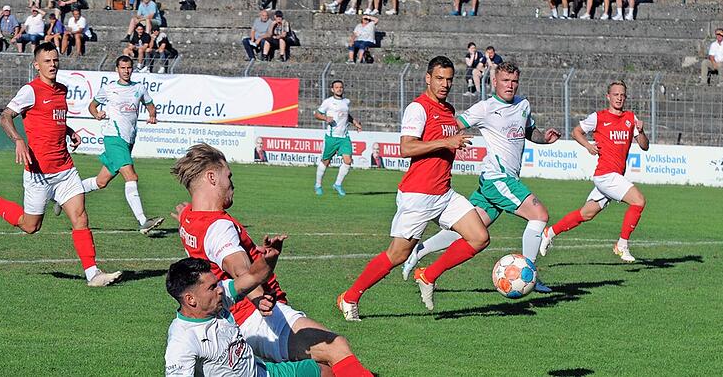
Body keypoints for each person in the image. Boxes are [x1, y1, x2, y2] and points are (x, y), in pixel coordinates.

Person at [170, 144, 374, 376]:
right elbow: (239, 269)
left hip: (229, 319)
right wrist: (258, 297)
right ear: (211, 177)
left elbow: (201, 234)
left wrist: (185, 215)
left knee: (323, 371)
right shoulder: (219, 227)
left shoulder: (190, 218)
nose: (232, 184)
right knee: (336, 347)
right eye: (228, 176)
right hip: (256, 316)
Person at [0, 42, 122, 287]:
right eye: (47, 61)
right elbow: (5, 117)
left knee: (80, 218)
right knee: (30, 226)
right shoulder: (30, 91)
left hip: (65, 169)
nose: (52, 65)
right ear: (37, 65)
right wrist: (18, 140)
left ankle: (93, 274)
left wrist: (69, 131)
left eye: (55, 60)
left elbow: (53, 120)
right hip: (39, 173)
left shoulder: (62, 90)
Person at [338, 56, 490, 318]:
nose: (444, 84)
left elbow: (443, 140)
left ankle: (427, 275)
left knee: (479, 237)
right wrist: (446, 143)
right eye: (439, 78)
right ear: (428, 78)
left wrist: (451, 143)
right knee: (397, 255)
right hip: (418, 195)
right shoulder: (418, 108)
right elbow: (406, 147)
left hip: (444, 193)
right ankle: (349, 298)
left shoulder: (448, 110)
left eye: (449, 79)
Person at [400, 62, 562, 294]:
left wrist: (544, 138)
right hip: (498, 178)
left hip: (501, 180)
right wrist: (443, 145)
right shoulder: (485, 108)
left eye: (514, 81)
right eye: (505, 81)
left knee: (467, 229)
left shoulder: (523, 104)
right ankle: (530, 274)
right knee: (539, 215)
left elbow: (529, 132)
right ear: (494, 82)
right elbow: (452, 125)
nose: (510, 85)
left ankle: (419, 251)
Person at [164, 247, 326, 376]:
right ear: (191, 299)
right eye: (212, 287)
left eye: (217, 284)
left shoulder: (220, 299)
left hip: (264, 372)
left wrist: (270, 257)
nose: (220, 290)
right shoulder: (182, 341)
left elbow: (253, 276)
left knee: (325, 370)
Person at [539, 81, 650, 262]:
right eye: (615, 94)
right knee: (639, 201)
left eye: (622, 95)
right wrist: (588, 146)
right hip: (606, 175)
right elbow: (576, 132)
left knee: (586, 213)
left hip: (615, 176)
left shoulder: (631, 118)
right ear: (608, 96)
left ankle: (549, 232)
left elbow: (644, 146)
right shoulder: (598, 117)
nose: (619, 98)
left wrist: (641, 131)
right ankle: (622, 245)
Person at [57, 55, 165, 235]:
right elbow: (92, 106)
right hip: (113, 137)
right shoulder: (108, 88)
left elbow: (150, 105)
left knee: (101, 182)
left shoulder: (139, 88)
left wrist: (152, 115)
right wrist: (96, 114)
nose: (126, 71)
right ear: (117, 69)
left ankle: (63, 195)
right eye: (123, 68)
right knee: (131, 176)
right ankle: (143, 221)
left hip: (128, 140)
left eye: (129, 68)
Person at [314, 80, 363, 197]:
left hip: (344, 137)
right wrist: (325, 118)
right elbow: (317, 114)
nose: (339, 89)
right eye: (336, 87)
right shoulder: (328, 102)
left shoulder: (346, 102)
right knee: (325, 162)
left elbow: (346, 116)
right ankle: (318, 185)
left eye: (341, 87)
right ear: (332, 89)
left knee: (348, 161)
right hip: (332, 137)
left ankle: (337, 184)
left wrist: (355, 123)